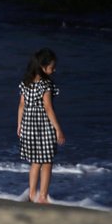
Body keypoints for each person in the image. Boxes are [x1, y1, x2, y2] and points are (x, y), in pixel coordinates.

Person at [17, 48, 65, 204]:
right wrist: (58, 129)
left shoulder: (26, 82)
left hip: (28, 126)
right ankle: (43, 196)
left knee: (35, 162)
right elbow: (48, 108)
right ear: (43, 67)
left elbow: (21, 106)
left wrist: (19, 126)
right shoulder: (46, 84)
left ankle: (32, 194)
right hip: (43, 126)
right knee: (47, 161)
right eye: (52, 66)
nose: (54, 69)